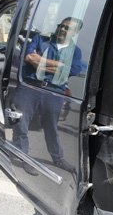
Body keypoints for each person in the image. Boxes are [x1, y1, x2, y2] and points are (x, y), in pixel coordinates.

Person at [12, 17, 85, 174]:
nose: (62, 29)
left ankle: (58, 159)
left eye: (67, 28)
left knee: (51, 127)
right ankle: (24, 157)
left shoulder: (76, 51)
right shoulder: (40, 39)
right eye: (60, 26)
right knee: (21, 123)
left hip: (54, 92)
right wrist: (59, 65)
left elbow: (71, 70)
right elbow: (29, 58)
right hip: (30, 87)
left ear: (75, 33)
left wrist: (41, 62)